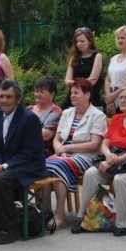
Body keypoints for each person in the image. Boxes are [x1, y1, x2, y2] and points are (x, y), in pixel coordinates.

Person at [74, 86, 126, 236]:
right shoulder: (117, 119)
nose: (122, 101)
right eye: (120, 98)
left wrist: (114, 160)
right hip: (116, 160)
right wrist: (108, 156)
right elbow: (105, 143)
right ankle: (84, 218)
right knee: (91, 173)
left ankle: (124, 223)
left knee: (120, 179)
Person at [0, 79, 46, 245]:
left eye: (8, 97)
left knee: (1, 180)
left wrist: (3, 166)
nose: (4, 100)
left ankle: (11, 228)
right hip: (5, 164)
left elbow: (30, 153)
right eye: (2, 96)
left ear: (18, 99)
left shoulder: (29, 119)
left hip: (29, 165)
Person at [44, 78, 107, 228]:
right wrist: (59, 150)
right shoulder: (67, 113)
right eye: (71, 93)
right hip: (64, 155)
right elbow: (57, 139)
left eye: (76, 93)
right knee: (42, 165)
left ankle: (60, 214)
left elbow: (94, 144)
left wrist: (67, 149)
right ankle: (45, 212)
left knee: (59, 166)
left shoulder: (98, 115)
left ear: (87, 95)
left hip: (86, 157)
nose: (72, 95)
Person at [63, 27, 103, 108]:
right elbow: (67, 81)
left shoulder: (97, 56)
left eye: (82, 41)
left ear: (90, 41)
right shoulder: (73, 58)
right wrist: (77, 85)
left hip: (91, 99)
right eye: (77, 41)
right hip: (73, 100)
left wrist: (74, 84)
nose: (79, 44)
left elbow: (92, 80)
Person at [28, 75, 63, 151]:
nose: (38, 94)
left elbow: (45, 135)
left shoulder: (56, 112)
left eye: (42, 92)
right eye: (37, 91)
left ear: (52, 94)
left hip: (42, 152)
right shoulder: (29, 109)